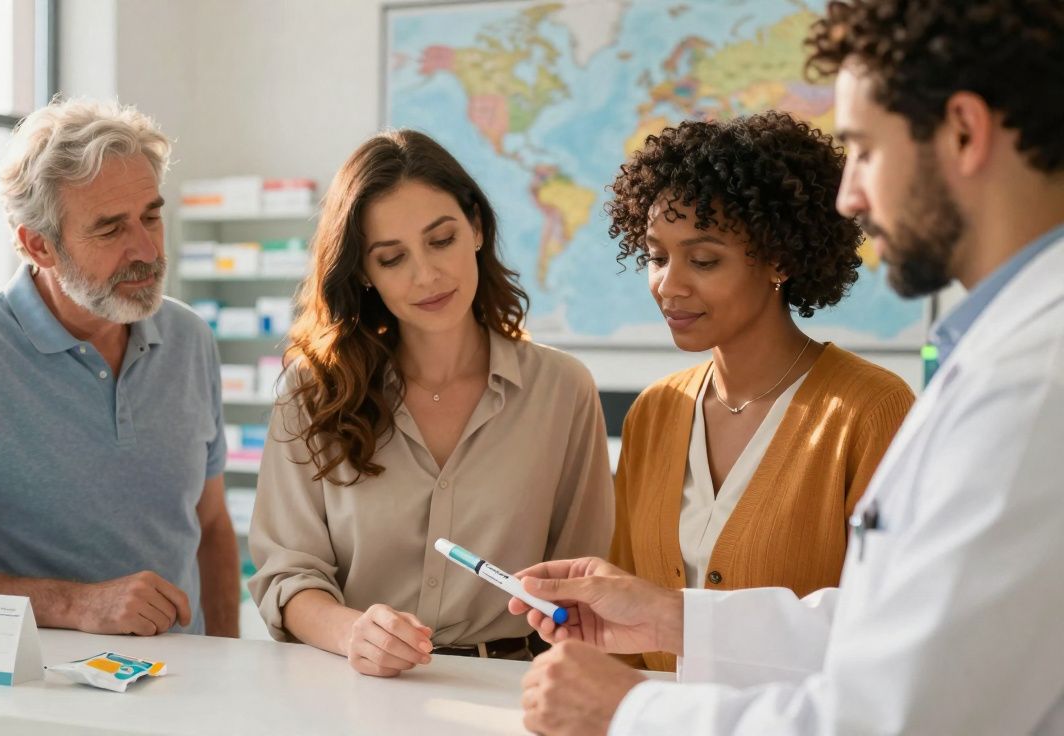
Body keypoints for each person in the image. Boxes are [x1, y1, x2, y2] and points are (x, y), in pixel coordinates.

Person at [513, 0, 1064, 733]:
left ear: (963, 130)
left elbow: (894, 715)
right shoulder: (1007, 351)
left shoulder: (1032, 381)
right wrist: (671, 618)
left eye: (865, 149)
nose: (850, 196)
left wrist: (630, 712)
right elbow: (879, 623)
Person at [0, 99, 240, 638]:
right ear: (38, 245)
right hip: (30, 698)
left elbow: (211, 525)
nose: (146, 249)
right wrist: (75, 604)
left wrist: (227, 664)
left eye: (151, 217)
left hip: (181, 697)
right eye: (110, 230)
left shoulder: (189, 340)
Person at [247, 129, 613, 676]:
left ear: (477, 229)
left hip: (512, 688)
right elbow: (286, 575)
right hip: (353, 689)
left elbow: (582, 583)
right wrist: (355, 633)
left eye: (441, 240)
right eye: (392, 258)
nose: (427, 276)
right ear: (365, 275)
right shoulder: (313, 392)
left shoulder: (562, 390)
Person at [605, 111, 913, 672]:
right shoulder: (654, 412)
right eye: (655, 256)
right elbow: (626, 626)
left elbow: (890, 623)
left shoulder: (872, 411)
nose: (668, 286)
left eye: (703, 260)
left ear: (779, 259)